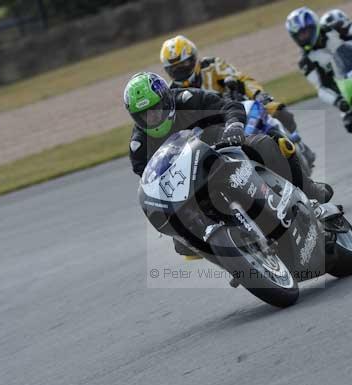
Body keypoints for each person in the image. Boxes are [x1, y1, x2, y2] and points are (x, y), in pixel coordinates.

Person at [125, 72, 332, 256]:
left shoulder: (187, 98)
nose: (151, 118)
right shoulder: (138, 146)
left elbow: (227, 105)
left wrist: (234, 125)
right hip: (190, 183)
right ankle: (233, 255)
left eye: (155, 109)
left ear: (167, 100)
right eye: (143, 115)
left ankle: (309, 190)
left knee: (270, 144)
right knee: (182, 244)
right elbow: (150, 179)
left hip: (222, 148)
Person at [159, 35, 302, 141]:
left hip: (239, 109)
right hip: (210, 131)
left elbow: (240, 79)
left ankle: (292, 143)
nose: (181, 70)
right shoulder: (172, 93)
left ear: (194, 58)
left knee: (277, 110)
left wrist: (258, 94)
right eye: (174, 68)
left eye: (184, 64)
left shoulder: (212, 65)